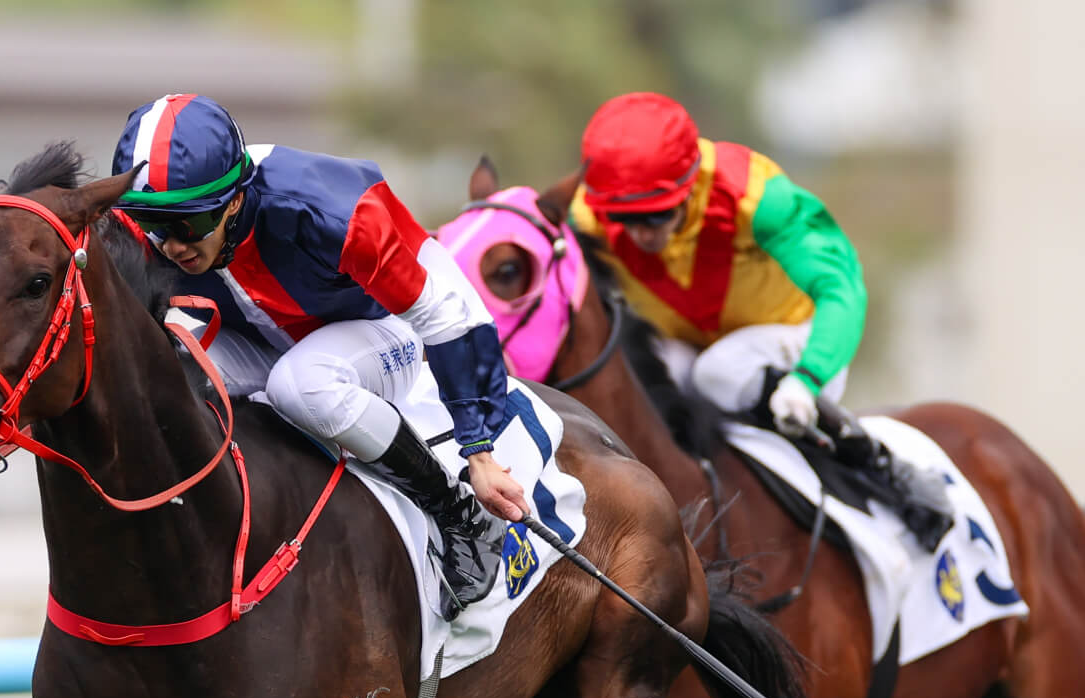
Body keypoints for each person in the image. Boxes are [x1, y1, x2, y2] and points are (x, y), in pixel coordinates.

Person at [111, 93, 527, 616]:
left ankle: (458, 516)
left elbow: (447, 314)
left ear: (234, 200)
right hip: (274, 340)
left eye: (187, 225)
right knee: (159, 376)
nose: (170, 246)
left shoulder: (331, 211)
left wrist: (479, 453)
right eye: (154, 224)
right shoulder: (146, 225)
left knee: (301, 384)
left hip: (384, 331)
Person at [569, 91, 952, 552]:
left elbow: (842, 288)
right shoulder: (587, 214)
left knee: (720, 372)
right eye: (625, 219)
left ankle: (880, 466)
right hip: (694, 348)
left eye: (657, 214)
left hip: (796, 340)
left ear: (690, 183)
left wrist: (808, 378)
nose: (642, 233)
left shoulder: (758, 197)